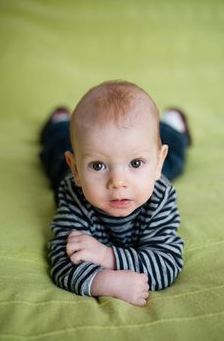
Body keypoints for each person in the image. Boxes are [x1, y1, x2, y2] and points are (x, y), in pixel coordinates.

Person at [40, 80, 191, 306]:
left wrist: (106, 257)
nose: (118, 182)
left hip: (151, 178)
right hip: (76, 170)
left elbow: (166, 264)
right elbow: (63, 261)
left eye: (136, 163)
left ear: (158, 161)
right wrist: (104, 281)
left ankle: (172, 124)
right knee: (56, 154)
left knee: (175, 161)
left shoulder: (159, 196)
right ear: (77, 170)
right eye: (98, 166)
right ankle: (60, 123)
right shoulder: (73, 194)